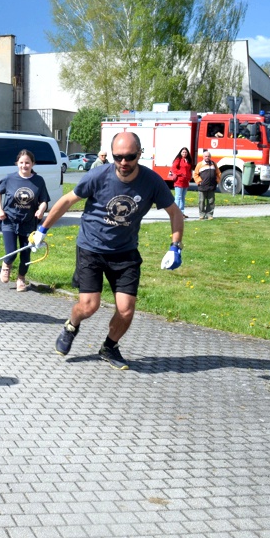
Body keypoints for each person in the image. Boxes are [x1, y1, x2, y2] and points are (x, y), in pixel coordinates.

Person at [32, 132, 184, 370]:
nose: (123, 162)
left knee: (126, 310)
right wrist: (42, 229)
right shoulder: (98, 175)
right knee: (89, 306)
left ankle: (109, 347)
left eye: (130, 157)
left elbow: (175, 213)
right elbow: (67, 201)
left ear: (140, 154)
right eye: (118, 157)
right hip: (91, 248)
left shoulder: (152, 182)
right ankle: (71, 326)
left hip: (125, 252)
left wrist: (175, 247)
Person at [0, 149, 49, 293]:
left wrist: (41, 210)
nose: (24, 165)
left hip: (28, 222)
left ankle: (21, 279)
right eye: (21, 162)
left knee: (26, 255)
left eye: (27, 163)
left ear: (33, 164)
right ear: (17, 163)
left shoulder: (38, 181)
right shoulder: (9, 178)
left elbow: (44, 200)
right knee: (11, 252)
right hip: (9, 220)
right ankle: (6, 265)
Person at [193, 150, 221, 220]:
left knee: (211, 201)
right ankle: (202, 215)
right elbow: (195, 174)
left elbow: (218, 173)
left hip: (211, 186)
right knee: (201, 201)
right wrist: (199, 182)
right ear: (203, 157)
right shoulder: (200, 164)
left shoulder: (213, 164)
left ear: (210, 157)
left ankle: (209, 215)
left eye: (208, 156)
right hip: (202, 186)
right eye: (206, 156)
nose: (207, 157)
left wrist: (217, 181)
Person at [171, 146, 193, 217]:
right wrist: (181, 173)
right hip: (179, 181)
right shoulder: (178, 159)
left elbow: (189, 170)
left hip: (185, 182)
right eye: (183, 152)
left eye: (186, 152)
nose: (184, 153)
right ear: (180, 153)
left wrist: (189, 176)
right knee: (178, 197)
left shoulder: (188, 160)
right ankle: (176, 213)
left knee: (183, 197)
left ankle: (181, 212)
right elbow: (174, 169)